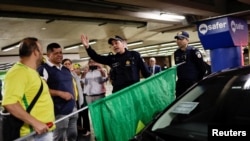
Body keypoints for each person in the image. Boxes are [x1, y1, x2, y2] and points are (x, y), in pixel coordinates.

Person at [2, 37, 55, 140]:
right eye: (41, 50)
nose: (42, 54)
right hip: (32, 133)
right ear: (35, 52)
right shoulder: (18, 72)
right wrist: (35, 123)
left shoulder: (30, 71)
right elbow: (10, 103)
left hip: (43, 130)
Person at [80, 34, 151, 93]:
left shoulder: (134, 55)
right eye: (112, 44)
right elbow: (96, 57)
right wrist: (87, 47)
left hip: (134, 90)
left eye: (116, 43)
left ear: (123, 43)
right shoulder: (112, 59)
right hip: (118, 92)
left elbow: (146, 73)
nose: (114, 45)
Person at [37, 43, 78, 141]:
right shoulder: (44, 69)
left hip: (73, 107)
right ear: (48, 55)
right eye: (56, 53)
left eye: (61, 52)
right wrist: (60, 93)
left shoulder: (65, 69)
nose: (60, 55)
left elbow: (71, 85)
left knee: (73, 134)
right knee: (59, 137)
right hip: (59, 110)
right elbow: (41, 89)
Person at [174, 31, 206, 97]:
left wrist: (197, 81)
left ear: (187, 40)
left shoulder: (193, 51)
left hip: (192, 82)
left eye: (181, 39)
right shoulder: (176, 53)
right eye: (177, 39)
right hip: (181, 83)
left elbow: (202, 68)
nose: (178, 41)